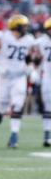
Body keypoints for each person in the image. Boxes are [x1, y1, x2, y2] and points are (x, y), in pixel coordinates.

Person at [0, 14, 38, 148]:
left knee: (18, 104)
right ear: (15, 26)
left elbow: (29, 57)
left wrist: (31, 68)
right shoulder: (4, 37)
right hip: (4, 76)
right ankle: (0, 112)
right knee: (2, 103)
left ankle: (14, 136)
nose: (26, 28)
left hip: (19, 76)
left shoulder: (29, 40)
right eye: (23, 26)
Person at [33, 19, 51, 147]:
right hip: (48, 77)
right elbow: (35, 61)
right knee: (48, 107)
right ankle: (47, 133)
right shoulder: (40, 42)